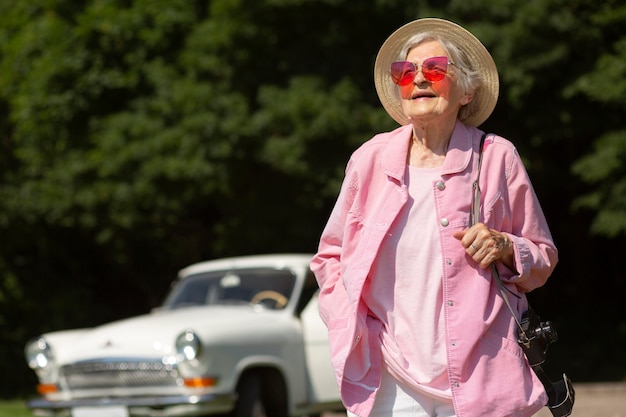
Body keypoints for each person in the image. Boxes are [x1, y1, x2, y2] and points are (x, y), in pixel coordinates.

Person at [310, 18, 558, 417]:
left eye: (435, 69)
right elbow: (330, 256)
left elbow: (542, 256)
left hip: (484, 375)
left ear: (467, 90)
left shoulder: (496, 157)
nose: (419, 79)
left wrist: (506, 245)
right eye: (406, 72)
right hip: (391, 379)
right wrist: (345, 319)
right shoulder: (369, 159)